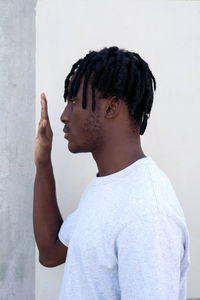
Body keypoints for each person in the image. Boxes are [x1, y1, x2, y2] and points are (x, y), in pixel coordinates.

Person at [33, 46, 190, 299]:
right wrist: (43, 164)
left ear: (111, 107)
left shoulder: (147, 213)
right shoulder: (107, 185)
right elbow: (50, 252)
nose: (64, 116)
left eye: (73, 102)